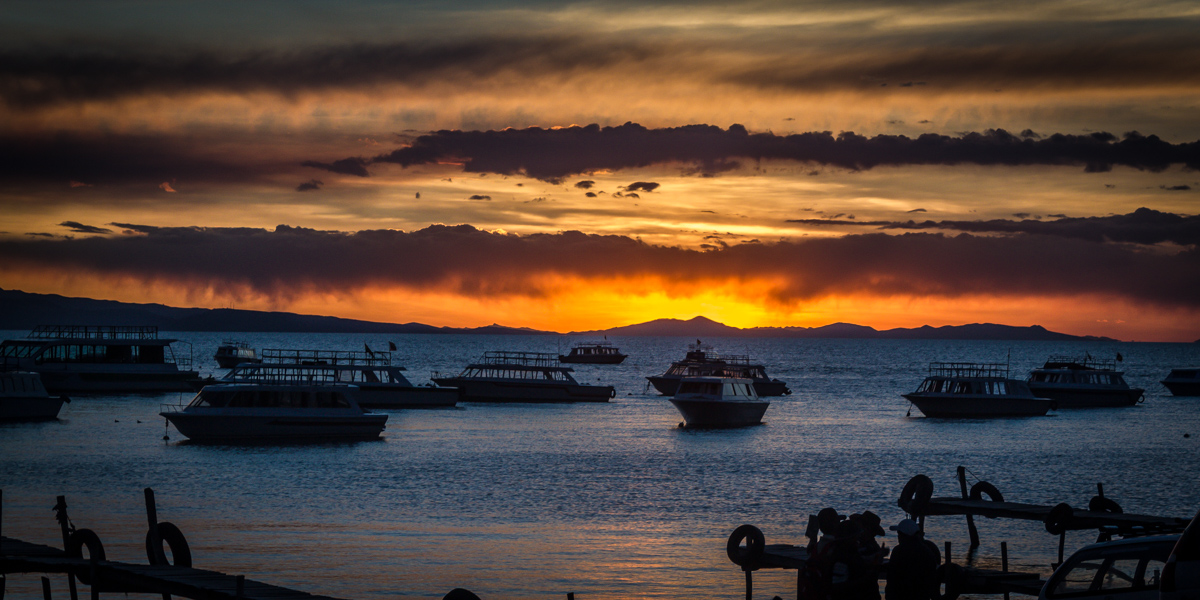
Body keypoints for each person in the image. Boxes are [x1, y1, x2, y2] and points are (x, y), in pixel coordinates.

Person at [885, 519, 939, 600]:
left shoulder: (898, 551)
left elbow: (892, 578)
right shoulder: (927, 551)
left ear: (902, 535)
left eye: (899, 533)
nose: (898, 536)